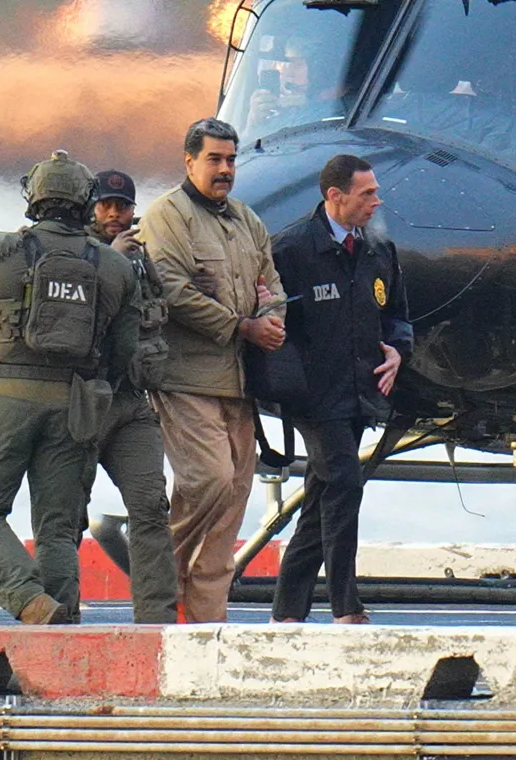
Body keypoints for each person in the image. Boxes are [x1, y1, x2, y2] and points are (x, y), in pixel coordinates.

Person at [0, 150, 140, 625]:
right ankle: (61, 621)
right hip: (75, 403)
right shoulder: (115, 266)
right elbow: (126, 350)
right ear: (85, 201)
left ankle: (27, 597)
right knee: (59, 529)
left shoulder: (1, 250)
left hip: (5, 397)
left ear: (34, 197)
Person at [140, 118, 286, 623]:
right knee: (210, 480)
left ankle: (207, 624)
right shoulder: (167, 217)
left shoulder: (247, 221)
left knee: (233, 502)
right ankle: (160, 584)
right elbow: (173, 290)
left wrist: (270, 320)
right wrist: (242, 325)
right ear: (189, 161)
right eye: (214, 160)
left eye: (230, 160)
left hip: (240, 382)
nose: (225, 170)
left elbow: (274, 287)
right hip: (185, 377)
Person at [269, 154, 412, 625]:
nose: (377, 200)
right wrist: (290, 384)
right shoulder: (291, 250)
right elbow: (275, 325)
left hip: (358, 394)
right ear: (335, 196)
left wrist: (396, 350)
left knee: (322, 496)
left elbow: (395, 315)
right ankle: (346, 607)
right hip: (313, 397)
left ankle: (287, 611)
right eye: (367, 193)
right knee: (346, 484)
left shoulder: (378, 248)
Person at [81, 169, 178, 624]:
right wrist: (110, 262)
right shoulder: (75, 254)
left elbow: (156, 313)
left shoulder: (140, 257)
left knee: (150, 506)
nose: (116, 214)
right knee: (63, 511)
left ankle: (157, 618)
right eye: (106, 205)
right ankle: (56, 614)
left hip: (131, 399)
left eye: (124, 205)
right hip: (82, 400)